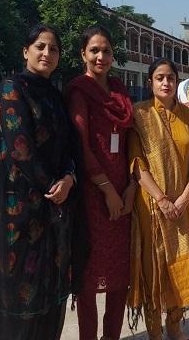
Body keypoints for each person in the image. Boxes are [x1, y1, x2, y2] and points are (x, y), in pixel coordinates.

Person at [0, 24, 81, 339]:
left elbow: (68, 144)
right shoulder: (12, 89)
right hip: (18, 214)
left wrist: (69, 178)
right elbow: (21, 149)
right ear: (26, 51)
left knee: (49, 294)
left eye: (53, 49)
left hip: (53, 214)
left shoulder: (54, 95)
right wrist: (55, 185)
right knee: (20, 293)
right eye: (40, 46)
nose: (47, 54)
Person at [126, 58, 189, 340]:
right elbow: (136, 164)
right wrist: (161, 199)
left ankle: (175, 325)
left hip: (184, 206)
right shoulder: (140, 115)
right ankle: (154, 332)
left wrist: (184, 197)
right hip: (152, 208)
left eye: (170, 78)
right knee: (154, 267)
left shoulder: (187, 115)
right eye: (160, 78)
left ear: (177, 82)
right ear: (150, 82)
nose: (166, 83)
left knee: (183, 262)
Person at [67, 25, 135, 340]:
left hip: (123, 195)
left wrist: (130, 188)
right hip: (93, 197)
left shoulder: (120, 93)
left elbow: (133, 141)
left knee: (119, 277)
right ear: (83, 54)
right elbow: (82, 146)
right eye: (94, 50)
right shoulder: (79, 91)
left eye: (106, 50)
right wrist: (107, 190)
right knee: (89, 280)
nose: (101, 56)